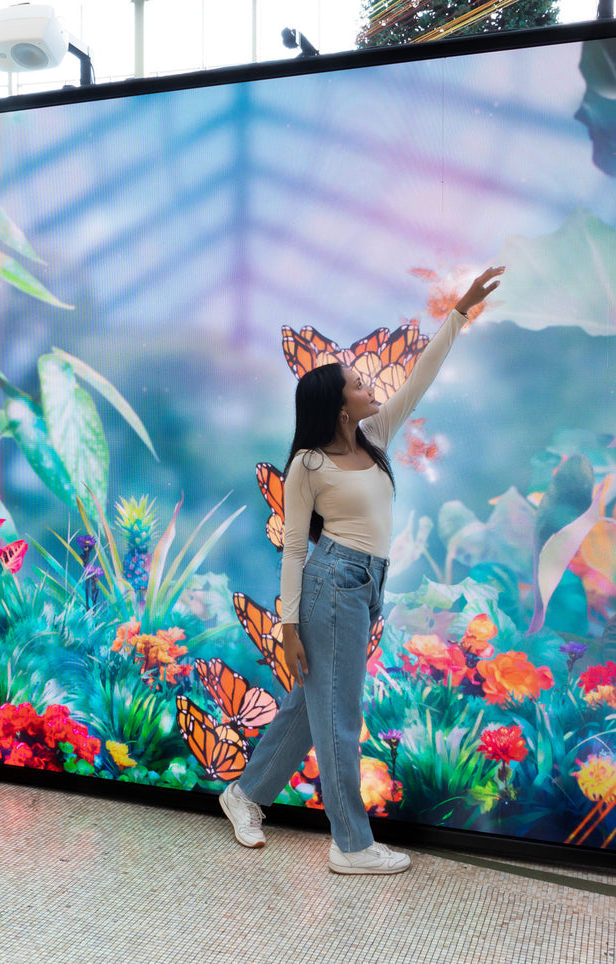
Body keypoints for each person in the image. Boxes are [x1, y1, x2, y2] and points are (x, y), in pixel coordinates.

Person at [219, 265, 505, 875]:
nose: (367, 382)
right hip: (329, 586)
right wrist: (288, 626)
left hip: (363, 585)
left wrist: (458, 314)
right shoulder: (309, 466)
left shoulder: (374, 437)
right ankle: (350, 845)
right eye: (355, 381)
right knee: (339, 717)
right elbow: (295, 549)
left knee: (310, 706)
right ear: (336, 401)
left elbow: (420, 378)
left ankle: (243, 795)